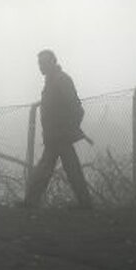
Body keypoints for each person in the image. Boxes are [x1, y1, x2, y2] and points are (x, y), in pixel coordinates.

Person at [24, 50, 93, 209]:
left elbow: (77, 109)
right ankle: (86, 204)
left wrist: (69, 129)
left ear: (52, 63)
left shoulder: (61, 80)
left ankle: (30, 202)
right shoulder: (53, 80)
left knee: (48, 168)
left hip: (59, 136)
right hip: (55, 136)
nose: (40, 66)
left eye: (43, 63)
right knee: (64, 168)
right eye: (39, 63)